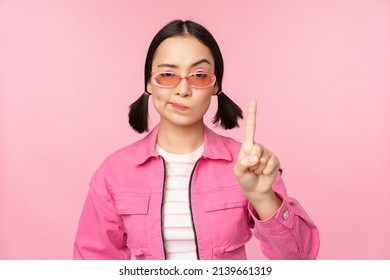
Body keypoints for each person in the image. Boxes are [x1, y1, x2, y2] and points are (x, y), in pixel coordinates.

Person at [73, 19, 320, 260]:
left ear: (215, 85)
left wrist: (263, 197)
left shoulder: (247, 165)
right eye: (167, 74)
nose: (183, 89)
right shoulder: (114, 173)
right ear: (149, 82)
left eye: (199, 75)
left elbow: (300, 260)